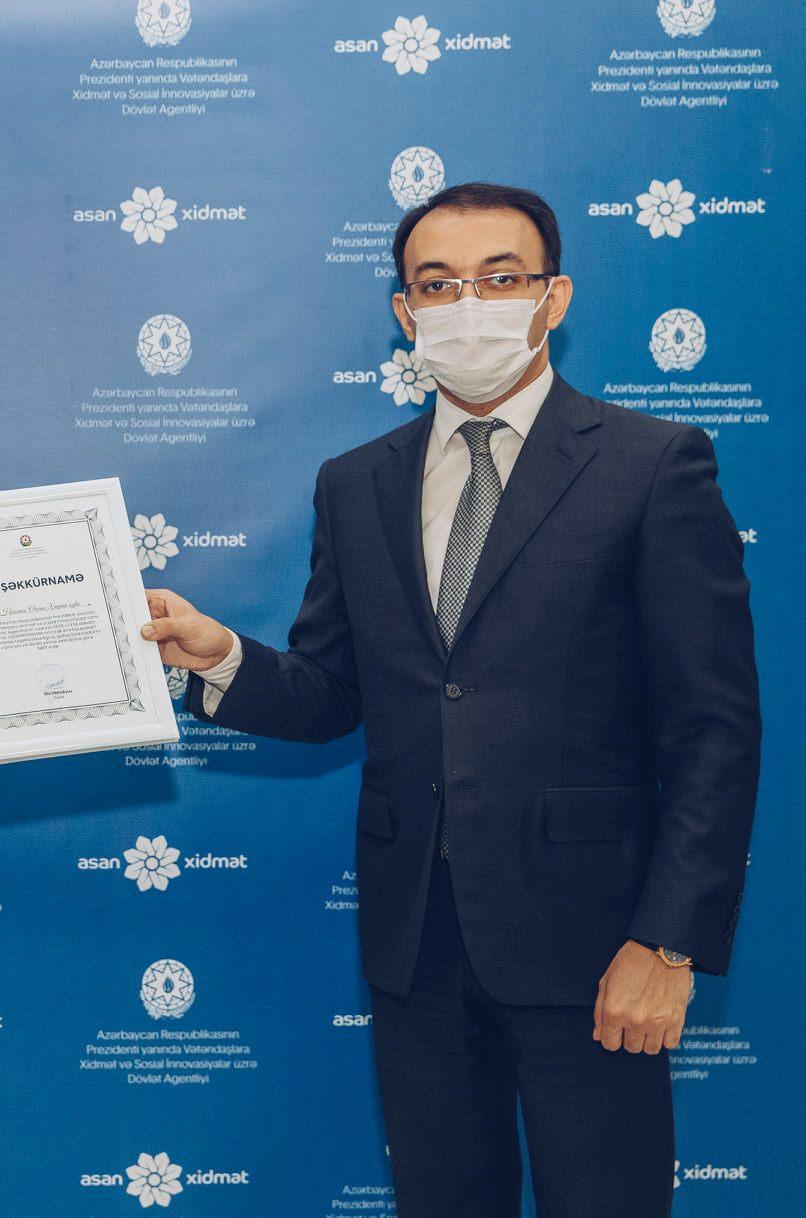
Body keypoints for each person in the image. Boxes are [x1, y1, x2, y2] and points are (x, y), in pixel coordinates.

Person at [141, 182, 759, 1216]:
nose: (467, 304)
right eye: (437, 285)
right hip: (414, 946)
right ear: (404, 311)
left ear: (553, 297)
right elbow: (329, 692)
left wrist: (666, 942)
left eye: (499, 278)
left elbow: (713, 729)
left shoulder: (652, 465)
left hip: (595, 943)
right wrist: (220, 659)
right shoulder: (355, 482)